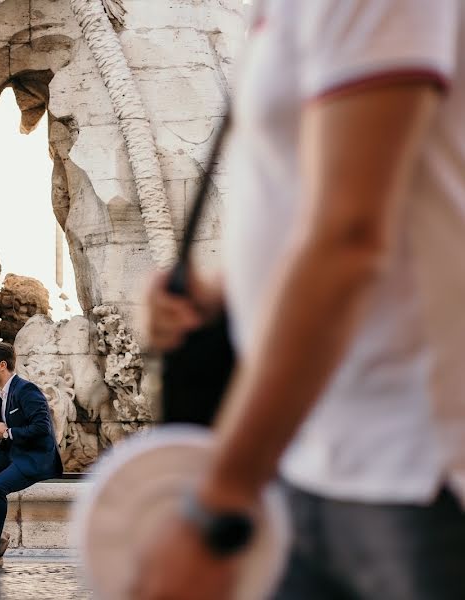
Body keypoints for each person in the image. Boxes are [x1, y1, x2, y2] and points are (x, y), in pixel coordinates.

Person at [139, 1, 465, 598]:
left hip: (408, 465)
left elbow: (350, 238)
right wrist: (229, 294)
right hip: (310, 451)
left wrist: (217, 505)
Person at [0, 342, 64, 568]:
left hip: (34, 457)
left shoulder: (26, 390)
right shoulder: (1, 395)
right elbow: (7, 435)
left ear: (2, 365)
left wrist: (7, 431)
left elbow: (42, 428)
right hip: (13, 452)